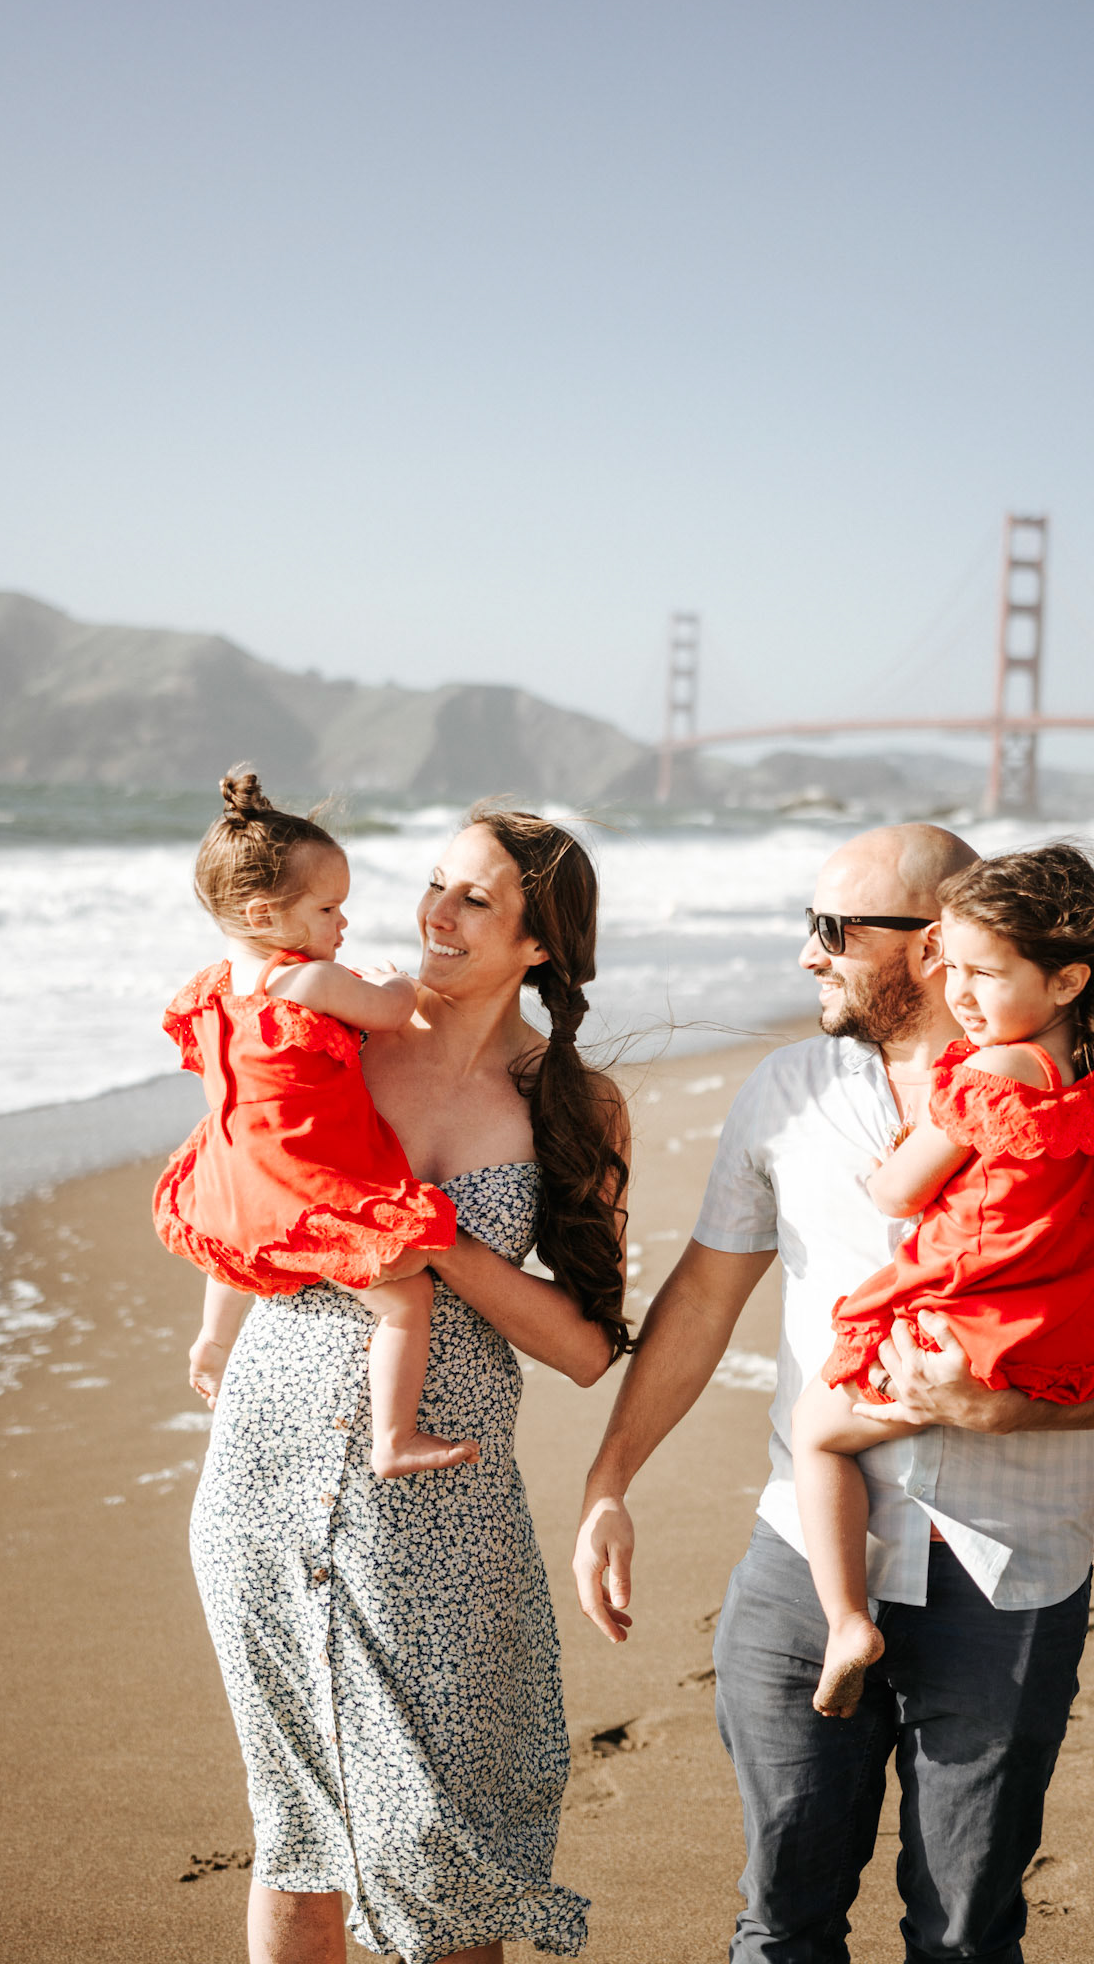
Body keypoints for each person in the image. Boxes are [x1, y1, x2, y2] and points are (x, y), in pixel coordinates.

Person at [573, 823, 1094, 1964]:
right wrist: (609, 1481)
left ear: (931, 944)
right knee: (781, 1922)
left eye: (833, 928)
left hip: (1011, 1570)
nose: (806, 953)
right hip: (803, 1568)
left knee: (964, 1936)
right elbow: (703, 1298)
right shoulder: (787, 1090)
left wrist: (1011, 1411)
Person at [189, 802, 630, 1964]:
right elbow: (233, 1194)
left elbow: (588, 1347)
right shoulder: (327, 1030)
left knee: (449, 1849)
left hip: (445, 1505)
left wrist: (440, 1243)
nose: (436, 911)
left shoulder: (572, 1101)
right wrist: (215, 1329)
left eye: (475, 897)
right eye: (435, 881)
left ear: (541, 942)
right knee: (298, 1833)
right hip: (268, 1468)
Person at [793, 843, 1094, 1718]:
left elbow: (897, 1191)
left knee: (817, 1433)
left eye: (983, 973)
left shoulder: (990, 1073)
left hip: (974, 1322)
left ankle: (845, 1622)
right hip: (1076, 1313)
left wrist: (889, 1165)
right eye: (951, 968)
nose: (960, 994)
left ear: (1066, 980)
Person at [155, 767, 478, 1479]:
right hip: (300, 1172)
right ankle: (393, 1437)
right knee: (406, 1299)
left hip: (231, 1166)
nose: (343, 925)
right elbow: (390, 1012)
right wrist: (396, 979)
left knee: (239, 1241)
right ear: (263, 916)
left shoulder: (211, 989)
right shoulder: (306, 981)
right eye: (329, 909)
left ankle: (212, 1341)